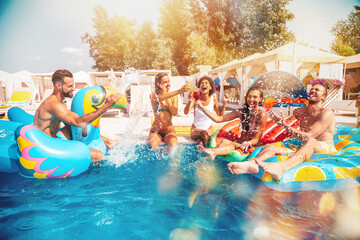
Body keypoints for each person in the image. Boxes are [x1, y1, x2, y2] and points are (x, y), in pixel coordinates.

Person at [229, 84, 336, 181]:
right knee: (270, 147)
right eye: (311, 89)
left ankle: (281, 167)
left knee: (311, 141)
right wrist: (281, 122)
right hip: (306, 148)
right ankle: (251, 164)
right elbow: (301, 137)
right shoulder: (299, 112)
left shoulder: (326, 113)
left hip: (325, 149)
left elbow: (309, 137)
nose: (313, 91)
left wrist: (284, 125)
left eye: (317, 90)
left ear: (324, 97)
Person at [33, 69, 121, 162]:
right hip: (48, 147)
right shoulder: (54, 104)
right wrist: (106, 107)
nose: (73, 88)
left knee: (78, 128)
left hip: (55, 139)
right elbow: (79, 122)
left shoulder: (60, 102)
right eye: (70, 86)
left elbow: (72, 124)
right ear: (58, 86)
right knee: (99, 155)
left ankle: (107, 141)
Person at [197, 86, 267, 161]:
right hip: (240, 142)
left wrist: (248, 142)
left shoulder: (261, 115)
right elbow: (219, 119)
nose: (251, 99)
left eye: (255, 97)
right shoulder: (241, 112)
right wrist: (203, 109)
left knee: (233, 144)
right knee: (224, 141)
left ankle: (213, 152)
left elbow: (256, 139)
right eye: (249, 96)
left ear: (260, 99)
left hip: (252, 146)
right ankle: (208, 158)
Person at [148, 73, 190, 150]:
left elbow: (174, 112)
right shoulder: (153, 95)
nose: (168, 84)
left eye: (168, 81)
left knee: (173, 147)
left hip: (169, 131)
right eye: (165, 82)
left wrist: (168, 99)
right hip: (156, 131)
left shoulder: (174, 97)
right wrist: (179, 91)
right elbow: (160, 98)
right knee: (153, 147)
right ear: (158, 84)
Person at [184, 76, 228, 146]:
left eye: (206, 83)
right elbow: (185, 112)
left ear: (210, 87)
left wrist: (224, 103)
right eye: (202, 83)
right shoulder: (195, 98)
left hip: (208, 129)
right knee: (204, 134)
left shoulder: (213, 99)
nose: (204, 84)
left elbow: (220, 116)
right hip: (195, 129)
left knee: (202, 139)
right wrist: (189, 100)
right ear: (200, 88)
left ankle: (200, 145)